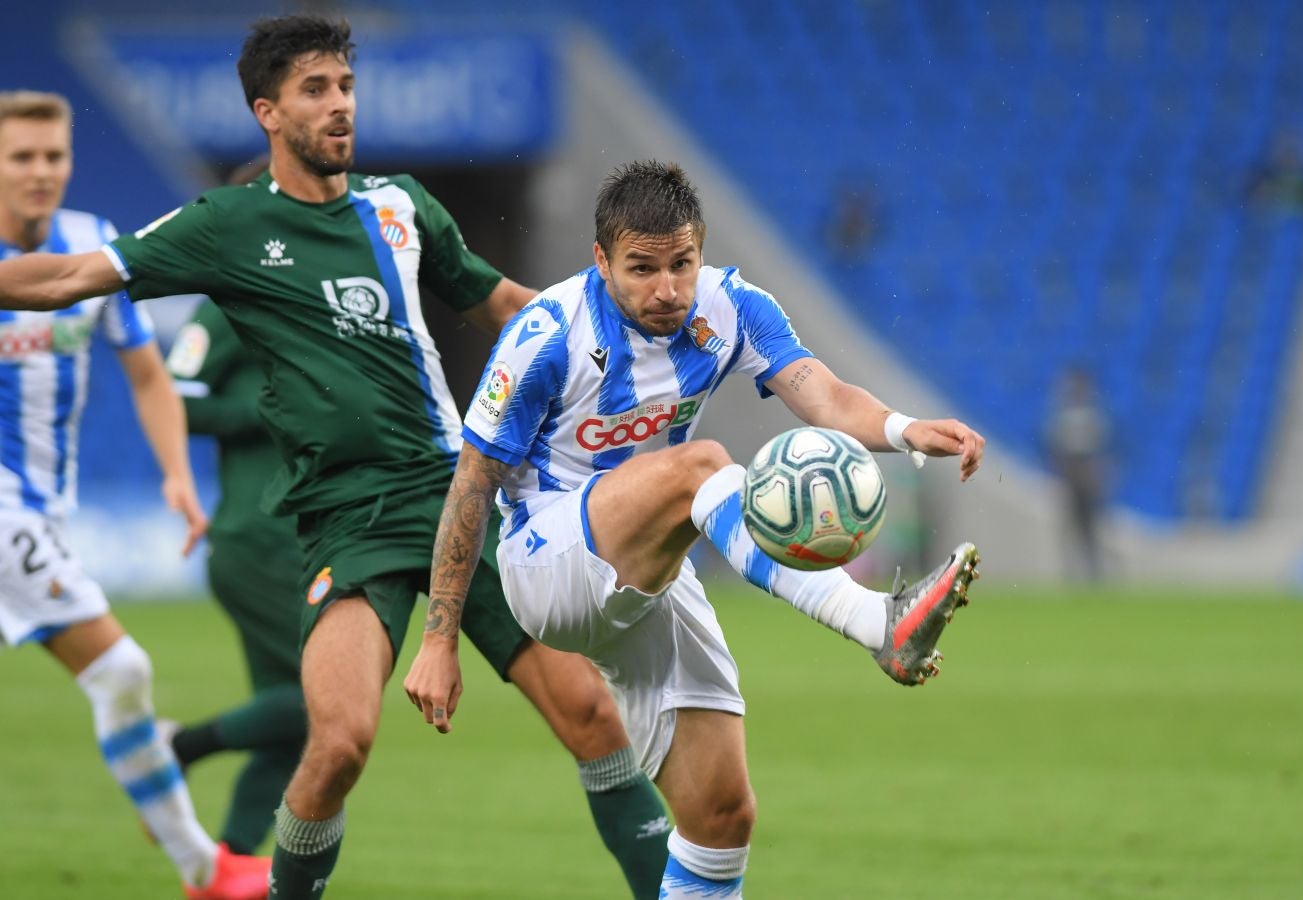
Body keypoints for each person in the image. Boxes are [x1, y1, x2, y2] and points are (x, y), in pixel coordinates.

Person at [0, 17, 669, 899]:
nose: (340, 106)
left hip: (453, 488)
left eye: (346, 87)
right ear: (267, 112)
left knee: (589, 712)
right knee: (340, 742)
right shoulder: (226, 224)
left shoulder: (401, 206)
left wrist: (616, 332)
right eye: (316, 91)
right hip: (348, 516)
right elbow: (63, 279)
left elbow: (501, 301)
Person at [404, 160, 986, 898]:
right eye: (642, 269)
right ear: (601, 262)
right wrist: (437, 639)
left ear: (700, 251)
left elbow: (826, 396)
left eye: (682, 264)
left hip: (650, 566)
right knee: (698, 463)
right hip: (545, 562)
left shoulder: (730, 306)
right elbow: (470, 490)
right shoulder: (545, 335)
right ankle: (877, 622)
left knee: (720, 814)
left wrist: (905, 430)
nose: (667, 289)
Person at [0, 90, 271, 899]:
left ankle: (201, 865)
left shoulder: (90, 248)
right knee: (120, 667)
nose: (41, 172)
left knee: (116, 678)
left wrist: (178, 479)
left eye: (53, 155)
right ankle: (203, 868)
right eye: (21, 157)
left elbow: (149, 374)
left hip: (44, 504)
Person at [164, 289, 308, 855]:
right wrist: (266, 413)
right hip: (256, 540)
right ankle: (177, 747)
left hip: (306, 540)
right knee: (327, 701)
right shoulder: (230, 303)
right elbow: (174, 396)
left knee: (292, 728)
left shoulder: (322, 298)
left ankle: (228, 865)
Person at [1044, 366, 1111, 581]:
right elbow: (1055, 451)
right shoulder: (1064, 416)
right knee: (1071, 530)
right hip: (1071, 479)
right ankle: (1073, 575)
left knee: (1090, 530)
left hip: (1085, 480)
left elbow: (1101, 450)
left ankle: (1093, 574)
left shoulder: (1091, 415)